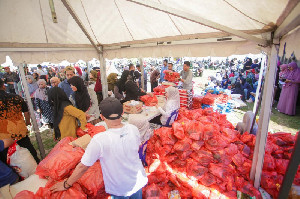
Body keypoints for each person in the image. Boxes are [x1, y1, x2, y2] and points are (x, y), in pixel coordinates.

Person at [50, 97, 148, 198]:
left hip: (120, 188)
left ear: (102, 117)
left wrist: (66, 184)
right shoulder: (133, 129)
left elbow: (83, 167)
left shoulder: (100, 139)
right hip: (138, 180)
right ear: (122, 113)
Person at [0, 79, 39, 163]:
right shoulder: (16, 97)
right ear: (3, 86)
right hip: (19, 132)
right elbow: (26, 112)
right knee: (31, 154)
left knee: (9, 161)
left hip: (3, 138)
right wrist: (27, 122)